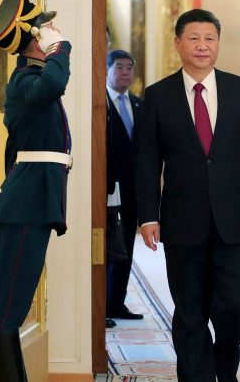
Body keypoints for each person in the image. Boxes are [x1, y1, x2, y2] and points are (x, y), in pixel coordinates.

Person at [136, 9, 240, 381]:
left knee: (235, 305)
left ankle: (222, 366)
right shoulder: (158, 96)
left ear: (217, 43)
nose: (202, 46)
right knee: (190, 310)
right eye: (194, 38)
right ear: (178, 43)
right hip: (182, 222)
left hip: (235, 218)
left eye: (209, 38)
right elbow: (147, 163)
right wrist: (148, 215)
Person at [0, 0, 72, 381]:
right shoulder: (25, 81)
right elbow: (54, 85)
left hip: (28, 203)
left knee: (11, 314)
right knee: (6, 316)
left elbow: (15, 150)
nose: (54, 30)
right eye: (46, 28)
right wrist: (61, 51)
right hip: (24, 208)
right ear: (33, 39)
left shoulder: (30, 81)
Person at [105, 50, 143, 325]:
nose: (125, 73)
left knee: (127, 246)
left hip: (133, 190)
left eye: (130, 68)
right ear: (107, 70)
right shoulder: (100, 104)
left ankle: (117, 302)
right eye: (119, 67)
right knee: (107, 248)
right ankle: (103, 303)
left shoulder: (139, 105)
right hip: (107, 188)